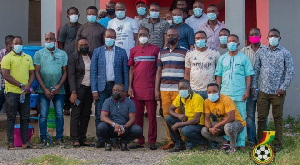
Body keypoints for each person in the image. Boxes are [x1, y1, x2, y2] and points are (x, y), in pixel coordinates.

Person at [253, 28, 295, 153]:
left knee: (277, 118)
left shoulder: (285, 53)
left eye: (275, 36)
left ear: (279, 38)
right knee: (261, 117)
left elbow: (290, 71)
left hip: (278, 92)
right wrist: (255, 86)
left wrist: (283, 87)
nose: (273, 38)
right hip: (263, 91)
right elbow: (256, 70)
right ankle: (261, 142)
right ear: (267, 38)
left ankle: (277, 143)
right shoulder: (261, 51)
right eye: (271, 36)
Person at [91, 29, 129, 148]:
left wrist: (126, 89)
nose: (110, 39)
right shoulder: (97, 52)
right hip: (101, 88)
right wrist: (94, 90)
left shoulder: (121, 52)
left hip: (116, 87)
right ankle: (101, 139)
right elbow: (93, 72)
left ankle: (114, 139)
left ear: (115, 38)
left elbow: (125, 72)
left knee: (115, 114)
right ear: (104, 37)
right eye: (108, 37)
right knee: (99, 114)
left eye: (112, 37)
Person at [215, 34, 254, 148]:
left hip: (240, 94)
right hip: (225, 94)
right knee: (226, 118)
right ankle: (228, 142)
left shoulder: (244, 58)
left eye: (234, 41)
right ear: (226, 44)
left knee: (240, 118)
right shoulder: (222, 58)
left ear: (238, 43)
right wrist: (218, 92)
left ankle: (240, 143)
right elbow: (219, 75)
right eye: (229, 41)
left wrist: (247, 91)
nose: (231, 43)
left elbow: (248, 76)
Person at [155, 28, 188, 150]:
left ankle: (182, 140)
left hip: (179, 90)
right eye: (168, 35)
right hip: (164, 89)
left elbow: (187, 71)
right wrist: (156, 89)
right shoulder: (161, 52)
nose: (170, 37)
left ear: (178, 36)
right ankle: (172, 140)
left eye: (173, 35)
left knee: (179, 114)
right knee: (166, 115)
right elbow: (159, 71)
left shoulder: (185, 52)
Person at [127, 27, 160, 150]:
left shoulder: (155, 50)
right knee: (137, 117)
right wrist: (129, 87)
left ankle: (152, 141)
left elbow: (158, 70)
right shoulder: (133, 50)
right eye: (140, 34)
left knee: (152, 117)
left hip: (150, 88)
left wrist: (156, 89)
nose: (142, 36)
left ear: (149, 36)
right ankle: (140, 140)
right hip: (136, 88)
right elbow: (131, 70)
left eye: (145, 34)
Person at [34, 32, 68, 147]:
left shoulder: (62, 54)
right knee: (43, 115)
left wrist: (58, 86)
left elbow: (65, 72)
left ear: (55, 40)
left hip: (59, 90)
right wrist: (44, 88)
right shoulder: (39, 54)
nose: (48, 41)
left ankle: (59, 138)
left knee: (59, 114)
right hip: (43, 90)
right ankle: (43, 139)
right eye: (46, 39)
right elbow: (36, 72)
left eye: (51, 39)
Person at [1, 36, 35, 150]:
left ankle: (26, 142)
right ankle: (10, 142)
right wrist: (20, 85)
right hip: (12, 92)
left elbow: (32, 73)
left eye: (20, 43)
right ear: (12, 45)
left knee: (25, 117)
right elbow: (5, 75)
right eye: (16, 43)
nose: (18, 45)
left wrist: (28, 86)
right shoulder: (7, 58)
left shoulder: (28, 57)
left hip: (25, 93)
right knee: (11, 117)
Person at [240, 28, 266, 147]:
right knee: (250, 115)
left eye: (256, 34)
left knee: (262, 115)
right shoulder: (243, 51)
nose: (254, 36)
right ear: (248, 37)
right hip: (248, 89)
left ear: (260, 36)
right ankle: (251, 140)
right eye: (251, 35)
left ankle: (263, 139)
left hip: (263, 88)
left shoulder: (266, 50)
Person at [201, 83, 245, 154]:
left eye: (214, 91)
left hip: (237, 123)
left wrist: (216, 126)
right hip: (222, 124)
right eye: (209, 92)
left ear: (219, 91)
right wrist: (210, 129)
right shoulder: (207, 102)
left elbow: (231, 117)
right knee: (204, 131)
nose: (212, 93)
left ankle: (233, 147)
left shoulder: (226, 99)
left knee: (228, 127)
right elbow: (206, 118)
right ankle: (225, 143)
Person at [97, 84, 142, 151]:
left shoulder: (130, 102)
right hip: (111, 127)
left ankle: (124, 142)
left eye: (117, 91)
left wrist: (123, 127)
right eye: (114, 90)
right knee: (101, 127)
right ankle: (109, 143)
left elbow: (132, 119)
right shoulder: (107, 101)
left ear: (123, 92)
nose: (115, 92)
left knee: (137, 129)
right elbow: (103, 117)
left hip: (124, 128)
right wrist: (114, 124)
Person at [166, 79, 206, 152]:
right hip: (187, 120)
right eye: (180, 88)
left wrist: (179, 124)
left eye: (184, 88)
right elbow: (169, 110)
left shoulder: (197, 98)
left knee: (185, 130)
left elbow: (196, 120)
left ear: (189, 88)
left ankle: (203, 143)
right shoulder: (180, 97)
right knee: (169, 119)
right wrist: (178, 115)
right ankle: (179, 145)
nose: (182, 90)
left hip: (199, 124)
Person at [68, 37, 94, 148]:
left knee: (86, 114)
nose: (84, 46)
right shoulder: (73, 57)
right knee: (76, 113)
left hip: (89, 89)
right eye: (81, 45)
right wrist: (73, 91)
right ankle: (75, 138)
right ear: (77, 47)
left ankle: (83, 138)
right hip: (78, 89)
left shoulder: (92, 55)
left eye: (86, 44)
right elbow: (71, 75)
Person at [58, 7, 81, 116]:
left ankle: (78, 105)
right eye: (71, 13)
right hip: (68, 60)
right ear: (67, 16)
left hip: (79, 59)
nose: (73, 15)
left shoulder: (81, 27)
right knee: (67, 83)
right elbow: (60, 44)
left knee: (79, 82)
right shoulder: (64, 28)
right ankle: (66, 106)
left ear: (79, 14)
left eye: (75, 13)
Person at [184, 31, 220, 99]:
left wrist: (217, 89)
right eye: (197, 38)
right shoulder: (189, 53)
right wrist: (187, 89)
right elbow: (187, 73)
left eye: (202, 38)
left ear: (206, 39)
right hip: (194, 89)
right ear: (194, 40)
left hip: (210, 90)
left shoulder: (214, 53)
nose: (200, 40)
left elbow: (219, 74)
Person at [0, 35, 15, 113]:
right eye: (10, 43)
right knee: (1, 100)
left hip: (14, 84)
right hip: (4, 83)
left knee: (11, 104)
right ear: (7, 43)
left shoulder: (16, 54)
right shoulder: (2, 52)